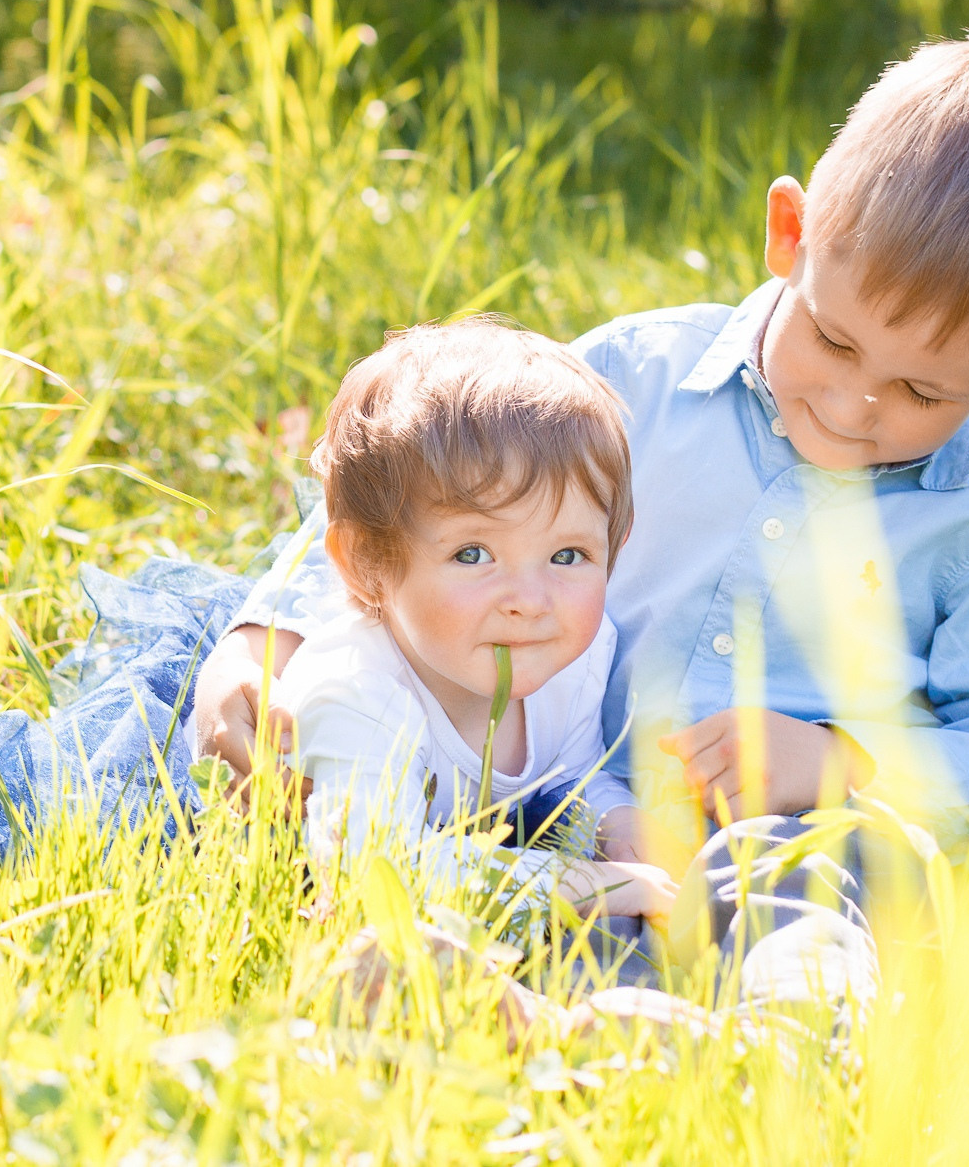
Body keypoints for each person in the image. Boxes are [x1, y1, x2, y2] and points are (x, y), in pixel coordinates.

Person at [195, 30, 969, 997]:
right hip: (549, 781)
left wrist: (839, 761)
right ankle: (523, 1004)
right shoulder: (637, 374)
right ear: (789, 236)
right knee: (473, 864)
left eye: (922, 393)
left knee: (803, 891)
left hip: (794, 839)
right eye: (835, 342)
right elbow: (422, 479)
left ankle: (786, 1034)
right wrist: (272, 633)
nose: (854, 408)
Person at [274, 319, 676, 927]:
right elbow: (372, 876)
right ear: (368, 563)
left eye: (568, 556)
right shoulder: (358, 692)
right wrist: (583, 882)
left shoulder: (571, 659)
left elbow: (571, 773)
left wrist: (614, 822)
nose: (530, 600)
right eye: (473, 554)